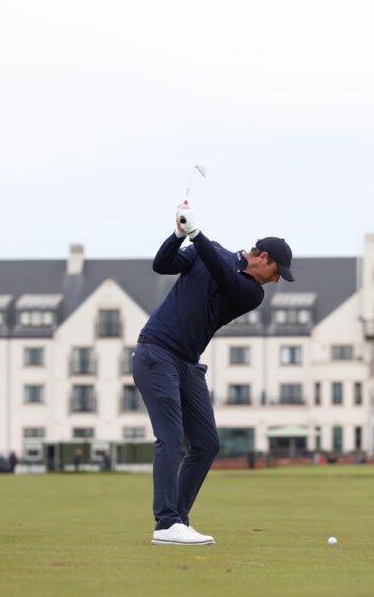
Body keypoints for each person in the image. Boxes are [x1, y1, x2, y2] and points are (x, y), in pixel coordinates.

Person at [133, 201, 294, 546]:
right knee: (171, 436)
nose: (278, 279)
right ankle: (165, 523)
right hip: (156, 352)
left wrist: (196, 234)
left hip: (188, 364)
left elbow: (223, 273)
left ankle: (177, 518)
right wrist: (179, 235)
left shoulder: (252, 293)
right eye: (278, 271)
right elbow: (162, 265)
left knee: (207, 443)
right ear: (262, 257)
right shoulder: (210, 251)